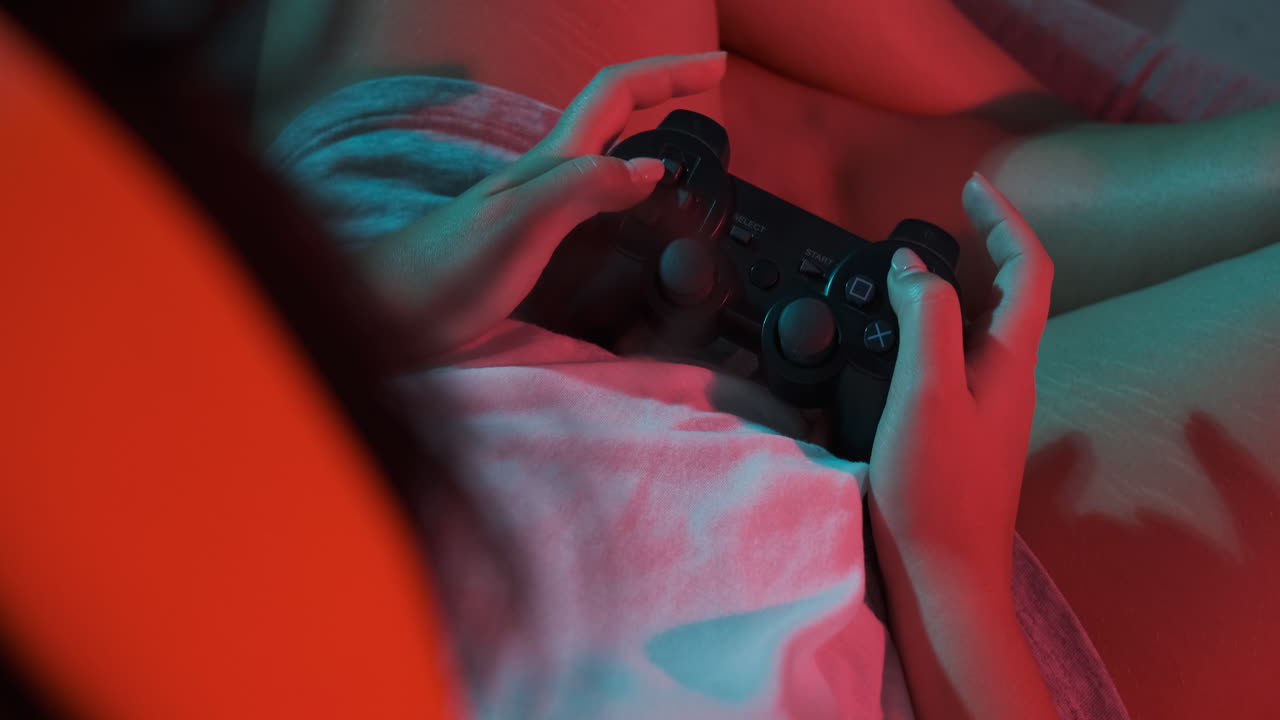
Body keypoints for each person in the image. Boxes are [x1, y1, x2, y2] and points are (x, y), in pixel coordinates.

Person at [254, 2, 1280, 718]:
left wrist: (378, 302)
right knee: (838, 160)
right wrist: (947, 577)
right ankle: (1077, 126)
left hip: (414, 321)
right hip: (906, 621)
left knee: (823, 162)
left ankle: (1031, 128)